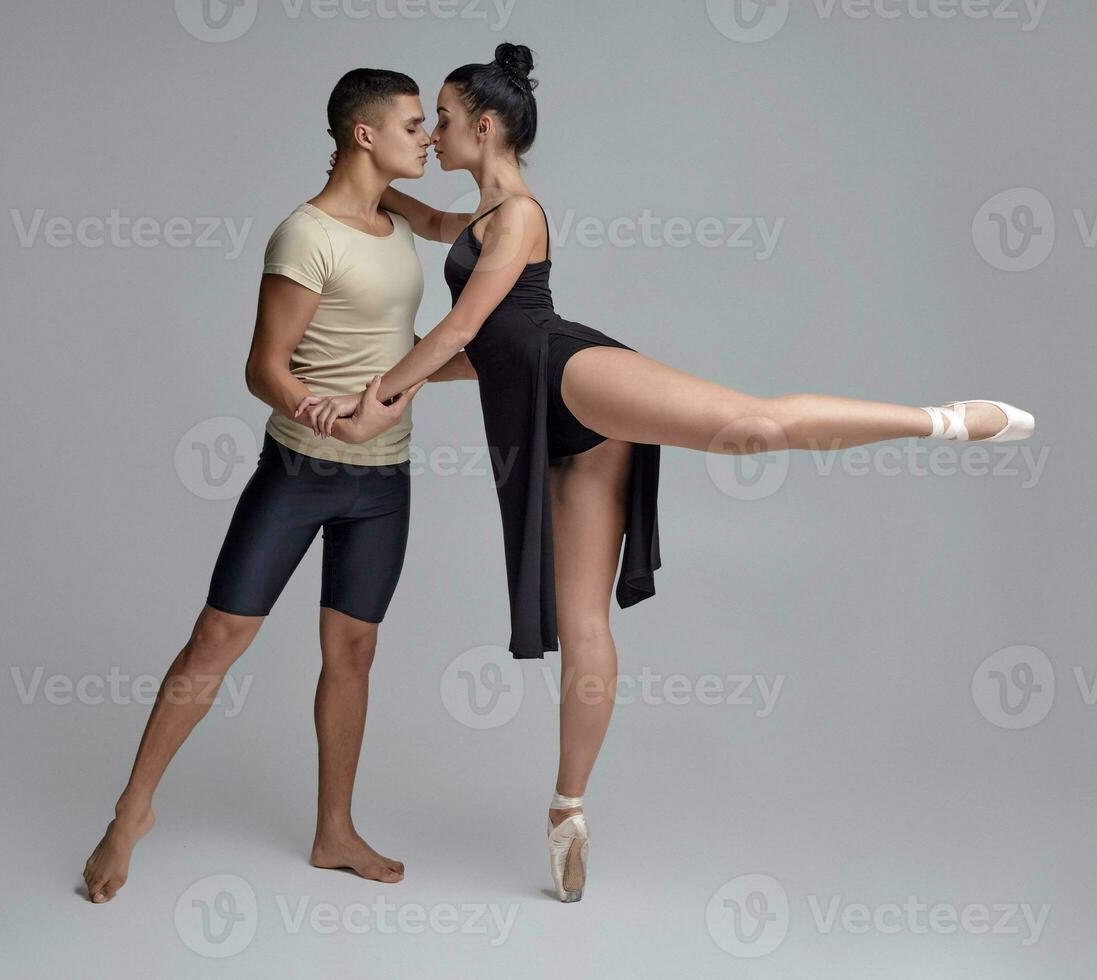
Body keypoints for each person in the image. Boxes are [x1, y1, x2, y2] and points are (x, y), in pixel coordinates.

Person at [303, 43, 1036, 904]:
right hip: (531, 406)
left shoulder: (521, 215)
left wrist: (384, 391)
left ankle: (943, 420)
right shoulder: (469, 217)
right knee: (581, 623)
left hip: (575, 374)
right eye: (421, 124)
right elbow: (408, 216)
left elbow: (467, 330)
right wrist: (352, 167)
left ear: (486, 126)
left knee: (748, 428)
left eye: (445, 120)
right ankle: (567, 811)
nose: (431, 136)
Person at [81, 68, 475, 903]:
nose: (428, 138)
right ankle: (130, 812)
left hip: (386, 478)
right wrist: (316, 409)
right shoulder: (306, 234)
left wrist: (512, 191)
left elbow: (454, 225)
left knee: (354, 653)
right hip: (301, 470)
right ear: (363, 135)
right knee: (218, 639)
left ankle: (334, 831)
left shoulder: (395, 213)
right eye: (414, 125)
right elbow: (263, 366)